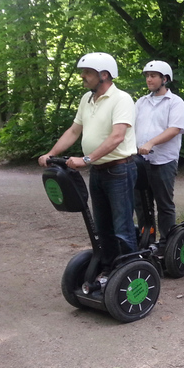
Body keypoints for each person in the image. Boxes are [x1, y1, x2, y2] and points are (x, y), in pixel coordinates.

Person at [38, 52, 138, 268]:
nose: (82, 76)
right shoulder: (86, 99)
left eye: (87, 72)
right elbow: (74, 131)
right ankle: (110, 270)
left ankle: (131, 271)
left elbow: (117, 136)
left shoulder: (122, 99)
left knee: (122, 226)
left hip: (120, 170)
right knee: (102, 227)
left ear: (104, 75)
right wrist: (51, 154)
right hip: (99, 171)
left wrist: (87, 159)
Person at [134, 60, 184, 239]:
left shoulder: (175, 103)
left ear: (164, 79)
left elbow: (174, 129)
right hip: (140, 162)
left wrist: (150, 143)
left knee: (164, 204)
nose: (149, 80)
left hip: (164, 161)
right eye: (147, 76)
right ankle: (146, 241)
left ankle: (167, 243)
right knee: (142, 204)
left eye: (153, 76)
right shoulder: (141, 102)